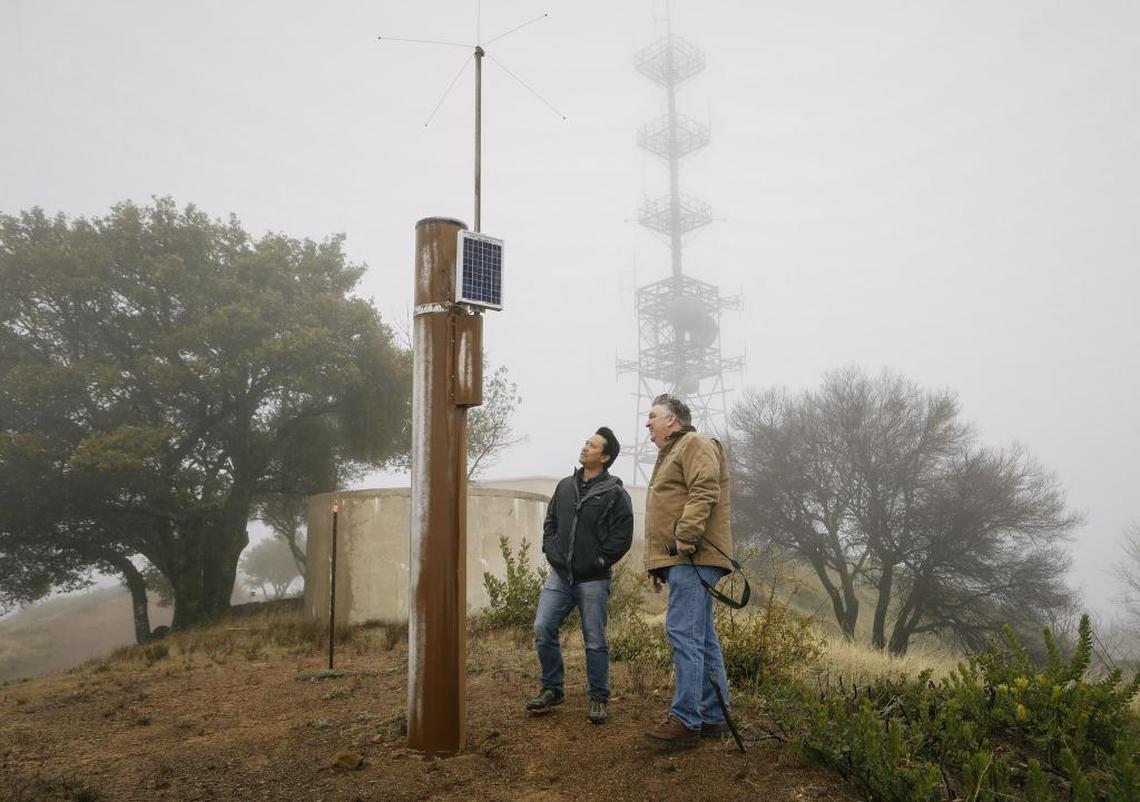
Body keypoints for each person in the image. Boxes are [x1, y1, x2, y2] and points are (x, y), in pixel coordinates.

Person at [642, 393, 735, 747]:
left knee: (684, 633)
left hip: (693, 556)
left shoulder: (694, 442)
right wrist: (658, 565)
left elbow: (704, 489)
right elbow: (669, 508)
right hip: (682, 559)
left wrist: (685, 537)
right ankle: (714, 716)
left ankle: (685, 719)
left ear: (673, 421)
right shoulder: (670, 455)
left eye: (653, 416)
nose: (647, 423)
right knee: (702, 637)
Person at [526, 427, 634, 725]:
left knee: (595, 640)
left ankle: (599, 697)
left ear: (606, 456)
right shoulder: (564, 486)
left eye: (593, 445)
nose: (585, 448)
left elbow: (622, 535)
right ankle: (552, 688)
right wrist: (551, 550)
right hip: (560, 576)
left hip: (593, 580)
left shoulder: (615, 493)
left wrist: (600, 560)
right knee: (542, 627)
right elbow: (551, 521)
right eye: (586, 443)